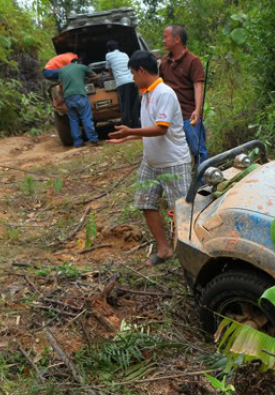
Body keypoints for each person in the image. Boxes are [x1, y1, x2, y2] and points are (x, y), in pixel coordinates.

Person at [108, 50, 192, 267]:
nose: (133, 79)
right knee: (146, 203)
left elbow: (161, 129)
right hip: (151, 161)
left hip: (173, 162)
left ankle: (187, 254)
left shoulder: (164, 93)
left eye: (134, 74)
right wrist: (128, 137)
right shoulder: (146, 94)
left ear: (142, 70)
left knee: (181, 211)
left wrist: (129, 131)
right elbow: (150, 128)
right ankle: (164, 249)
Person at [159, 24, 208, 166]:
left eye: (166, 37)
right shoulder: (164, 63)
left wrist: (197, 110)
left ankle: (204, 183)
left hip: (188, 116)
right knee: (174, 154)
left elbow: (198, 86)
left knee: (198, 150)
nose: (163, 41)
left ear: (177, 39)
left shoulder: (193, 61)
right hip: (170, 118)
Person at [57, 59, 99, 147]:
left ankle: (78, 143)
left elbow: (60, 85)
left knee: (73, 120)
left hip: (68, 97)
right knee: (86, 117)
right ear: (78, 63)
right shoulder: (82, 67)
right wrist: (84, 78)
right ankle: (93, 140)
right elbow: (94, 75)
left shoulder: (62, 70)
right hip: (79, 95)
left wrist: (62, 97)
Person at [105, 40, 140, 128]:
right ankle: (136, 126)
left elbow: (110, 71)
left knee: (125, 106)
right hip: (132, 81)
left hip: (122, 83)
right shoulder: (124, 54)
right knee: (133, 105)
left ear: (109, 49)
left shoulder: (108, 55)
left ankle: (126, 128)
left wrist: (111, 74)